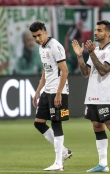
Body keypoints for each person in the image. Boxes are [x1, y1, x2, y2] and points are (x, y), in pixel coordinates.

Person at [71, 20, 110, 173]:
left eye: (100, 30)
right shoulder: (95, 50)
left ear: (108, 33)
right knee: (97, 126)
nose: (96, 33)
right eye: (95, 30)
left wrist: (91, 53)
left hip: (107, 95)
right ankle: (103, 163)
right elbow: (85, 74)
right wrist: (80, 56)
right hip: (92, 95)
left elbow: (103, 70)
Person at [29, 21, 72, 171]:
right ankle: (65, 152)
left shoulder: (55, 46)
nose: (37, 39)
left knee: (56, 124)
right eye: (34, 36)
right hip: (47, 91)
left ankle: (58, 162)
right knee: (39, 123)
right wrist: (38, 91)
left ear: (45, 31)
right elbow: (46, 71)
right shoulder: (42, 48)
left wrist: (59, 92)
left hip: (58, 91)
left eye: (39, 35)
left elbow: (65, 71)